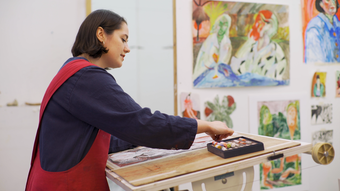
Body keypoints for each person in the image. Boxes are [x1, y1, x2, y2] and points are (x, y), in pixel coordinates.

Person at [25, 9, 234, 191]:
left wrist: (142, 138)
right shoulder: (87, 77)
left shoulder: (72, 71)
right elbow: (141, 123)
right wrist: (205, 125)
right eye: (123, 39)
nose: (127, 48)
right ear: (101, 34)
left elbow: (104, 138)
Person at [230, 10, 287, 80]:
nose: (258, 25)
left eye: (263, 22)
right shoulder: (250, 47)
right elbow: (234, 68)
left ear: (270, 26)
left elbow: (275, 79)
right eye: (257, 21)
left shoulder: (276, 51)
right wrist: (249, 42)